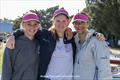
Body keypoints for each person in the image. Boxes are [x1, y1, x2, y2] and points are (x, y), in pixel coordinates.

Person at [5, 8, 105, 80]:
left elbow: (85, 33)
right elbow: (29, 30)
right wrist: (12, 35)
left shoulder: (72, 37)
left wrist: (96, 34)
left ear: (68, 22)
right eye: (57, 20)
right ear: (53, 21)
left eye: (63, 21)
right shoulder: (44, 35)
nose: (60, 24)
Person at [73, 12, 112, 80]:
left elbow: (104, 68)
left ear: (87, 24)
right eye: (76, 22)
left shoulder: (97, 40)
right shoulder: (74, 40)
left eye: (82, 22)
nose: (79, 25)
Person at [1, 12, 40, 80]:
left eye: (35, 24)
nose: (32, 27)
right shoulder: (12, 43)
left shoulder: (40, 42)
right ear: (23, 25)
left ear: (38, 26)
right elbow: (6, 68)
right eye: (29, 24)